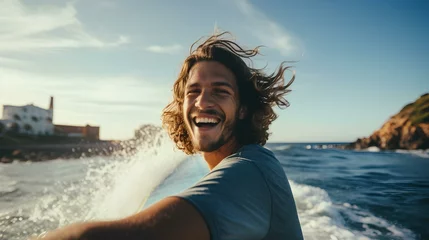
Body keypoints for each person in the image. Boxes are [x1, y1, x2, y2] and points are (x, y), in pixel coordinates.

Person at [33, 32, 303, 240]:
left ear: (243, 109)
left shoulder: (250, 171)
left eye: (220, 91)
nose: (202, 102)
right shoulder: (237, 167)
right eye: (193, 92)